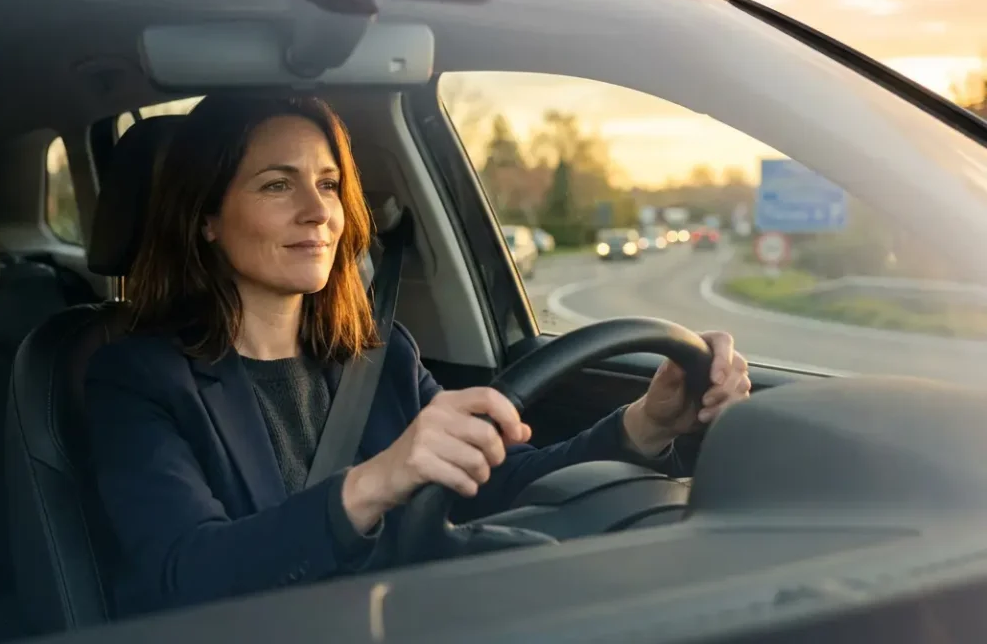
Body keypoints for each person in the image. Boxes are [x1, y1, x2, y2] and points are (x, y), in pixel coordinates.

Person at [85, 95, 752, 618]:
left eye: (327, 183)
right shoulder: (137, 379)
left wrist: (648, 423)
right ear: (206, 218)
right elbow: (182, 577)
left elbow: (506, 483)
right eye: (276, 186)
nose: (319, 211)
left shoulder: (378, 359)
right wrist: (376, 481)